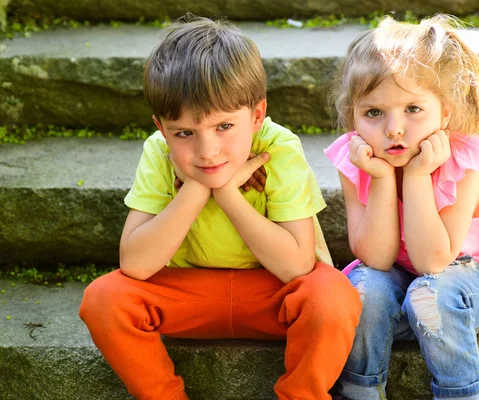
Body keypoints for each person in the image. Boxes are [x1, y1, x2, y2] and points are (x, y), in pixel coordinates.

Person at [79, 15, 361, 400]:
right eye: (185, 133)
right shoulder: (158, 152)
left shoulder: (277, 149)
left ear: (257, 115)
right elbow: (137, 264)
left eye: (224, 127)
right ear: (162, 127)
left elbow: (296, 266)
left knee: (334, 296)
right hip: (185, 295)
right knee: (104, 299)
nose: (206, 151)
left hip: (273, 294)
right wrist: (198, 187)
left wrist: (226, 193)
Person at [324, 15, 479, 400]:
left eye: (413, 109)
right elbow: (376, 259)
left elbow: (433, 262)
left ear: (444, 112)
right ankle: (360, 390)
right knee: (362, 290)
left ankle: (461, 393)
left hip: (464, 280)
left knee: (430, 294)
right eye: (374, 113)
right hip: (397, 278)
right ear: (354, 117)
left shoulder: (465, 163)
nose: (394, 129)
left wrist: (415, 178)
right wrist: (381, 180)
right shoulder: (357, 160)